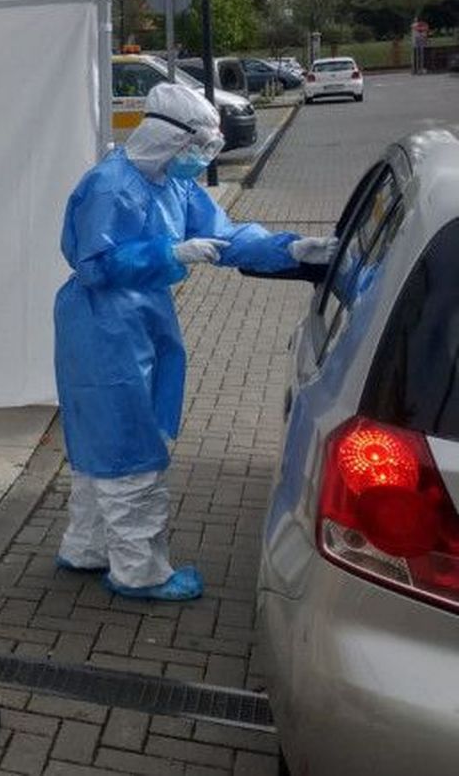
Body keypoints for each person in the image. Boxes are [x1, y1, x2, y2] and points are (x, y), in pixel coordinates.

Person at [53, 83, 334, 601]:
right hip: (101, 327)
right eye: (200, 146)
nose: (204, 157)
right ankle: (140, 571)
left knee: (104, 441)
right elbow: (94, 264)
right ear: (169, 138)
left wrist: (290, 249)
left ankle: (87, 547)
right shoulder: (110, 186)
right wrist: (170, 253)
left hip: (138, 319)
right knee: (127, 443)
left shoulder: (173, 184)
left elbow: (224, 236)